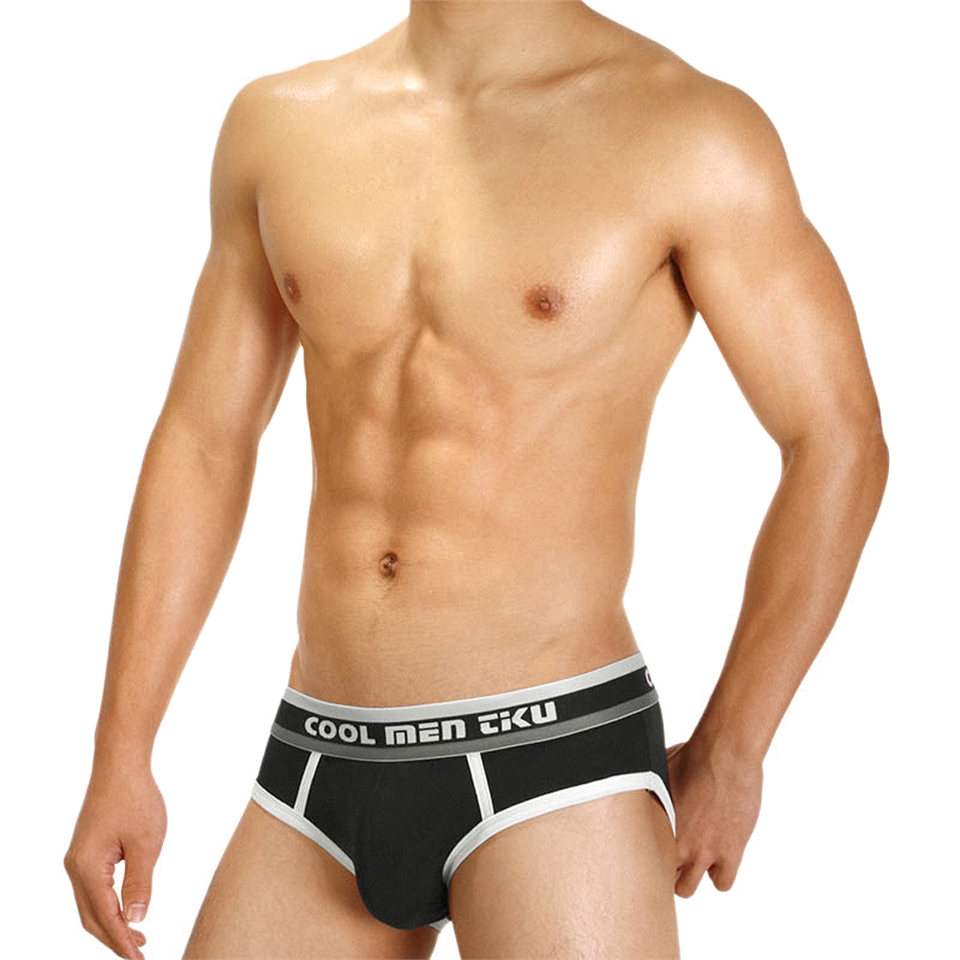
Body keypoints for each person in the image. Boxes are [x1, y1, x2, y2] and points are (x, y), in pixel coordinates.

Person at [63, 2, 889, 958]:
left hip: (557, 762)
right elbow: (205, 441)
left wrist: (735, 747)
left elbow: (838, 439)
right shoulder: (282, 123)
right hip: (319, 755)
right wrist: (121, 751)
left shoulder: (686, 130)